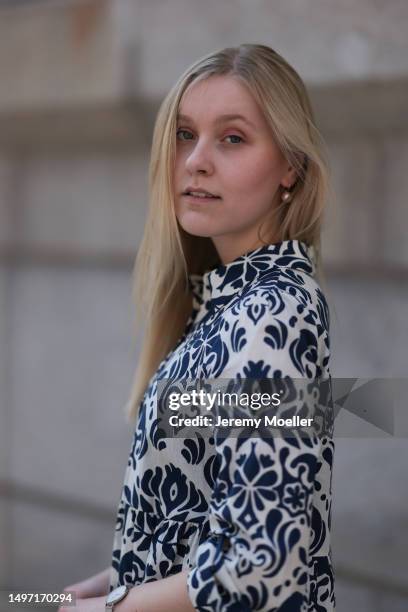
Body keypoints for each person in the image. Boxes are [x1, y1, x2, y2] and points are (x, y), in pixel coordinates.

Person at [60, 43, 335, 611]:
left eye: (232, 138)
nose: (196, 161)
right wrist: (117, 580)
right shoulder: (222, 303)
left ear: (291, 166)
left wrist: (111, 610)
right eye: (185, 134)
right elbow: (209, 515)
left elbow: (262, 563)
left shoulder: (271, 313)